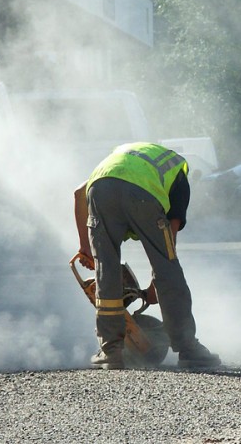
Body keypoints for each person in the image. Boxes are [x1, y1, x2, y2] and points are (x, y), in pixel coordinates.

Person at [73, 141, 220, 370]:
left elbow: (77, 194)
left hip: (100, 191)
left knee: (106, 272)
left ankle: (111, 351)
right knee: (168, 268)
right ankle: (189, 350)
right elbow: (167, 250)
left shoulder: (119, 158)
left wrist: (85, 247)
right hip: (141, 196)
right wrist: (155, 286)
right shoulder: (179, 174)